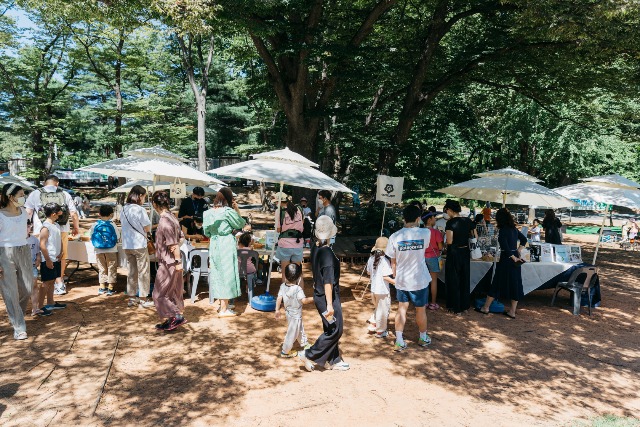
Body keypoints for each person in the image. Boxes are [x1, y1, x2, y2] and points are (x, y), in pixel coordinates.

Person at [298, 216, 349, 371]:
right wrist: (329, 304)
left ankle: (333, 360)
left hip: (320, 295)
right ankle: (309, 353)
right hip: (328, 297)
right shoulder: (326, 253)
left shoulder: (316, 247)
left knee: (330, 328)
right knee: (336, 329)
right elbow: (328, 281)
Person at [386, 205, 432, 351]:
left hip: (402, 278)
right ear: (418, 218)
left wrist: (395, 273)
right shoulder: (425, 233)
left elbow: (392, 260)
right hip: (420, 278)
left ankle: (399, 340)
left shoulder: (394, 236)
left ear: (403, 218)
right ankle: (423, 337)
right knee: (420, 309)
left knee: (401, 309)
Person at [25, 174, 79, 296]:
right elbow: (74, 213)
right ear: (57, 183)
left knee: (42, 254)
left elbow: (28, 212)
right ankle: (59, 283)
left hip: (41, 229)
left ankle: (43, 280)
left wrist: (26, 228)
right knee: (61, 255)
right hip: (62, 229)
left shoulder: (35, 193)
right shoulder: (65, 194)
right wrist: (76, 228)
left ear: (44, 183)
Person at [203, 187, 246, 317]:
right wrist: (236, 208)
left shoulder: (208, 213)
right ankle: (224, 308)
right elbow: (241, 223)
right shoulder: (228, 212)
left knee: (217, 272)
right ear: (228, 199)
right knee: (227, 273)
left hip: (214, 243)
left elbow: (206, 232)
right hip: (226, 242)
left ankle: (223, 303)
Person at [478, 208, 527, 319]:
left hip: (506, 258)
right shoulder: (514, 229)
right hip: (514, 259)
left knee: (497, 282)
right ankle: (512, 311)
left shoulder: (503, 230)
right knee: (515, 284)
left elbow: (504, 246)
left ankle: (486, 307)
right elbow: (524, 239)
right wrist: (518, 251)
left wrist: (513, 256)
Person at [0, 183, 34, 340]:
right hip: (4, 253)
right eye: (20, 195)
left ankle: (16, 314)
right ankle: (19, 327)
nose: (23, 197)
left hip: (24, 250)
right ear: (10, 197)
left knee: (27, 288)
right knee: (10, 291)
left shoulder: (23, 212)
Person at [152, 190, 187, 331]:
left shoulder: (165, 220)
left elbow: (173, 244)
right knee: (170, 293)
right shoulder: (172, 217)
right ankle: (170, 320)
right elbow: (182, 238)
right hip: (172, 261)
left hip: (169, 263)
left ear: (154, 204)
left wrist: (177, 261)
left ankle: (176, 316)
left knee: (158, 294)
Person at [121, 185, 154, 308]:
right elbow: (147, 228)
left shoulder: (124, 209)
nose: (144, 199)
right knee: (143, 271)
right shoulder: (140, 210)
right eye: (144, 196)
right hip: (139, 244)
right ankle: (143, 299)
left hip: (127, 244)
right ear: (140, 196)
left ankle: (131, 298)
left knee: (131, 271)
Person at [444, 199, 477, 314]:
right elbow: (475, 235)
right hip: (465, 251)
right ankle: (465, 306)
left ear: (449, 210)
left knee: (454, 279)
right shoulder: (467, 220)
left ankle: (455, 306)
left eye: (446, 210)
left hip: (454, 252)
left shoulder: (450, 223)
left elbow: (449, 241)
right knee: (464, 278)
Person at [275, 264, 313, 358]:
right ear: (298, 277)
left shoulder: (283, 286)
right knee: (292, 333)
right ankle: (285, 351)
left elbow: (279, 298)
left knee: (299, 328)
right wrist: (315, 298)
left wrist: (277, 310)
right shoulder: (298, 289)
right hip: (295, 315)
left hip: (289, 313)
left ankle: (304, 343)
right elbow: (304, 301)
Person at [38, 202, 68, 314]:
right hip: (49, 259)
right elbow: (42, 245)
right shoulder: (45, 227)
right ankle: (39, 307)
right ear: (54, 213)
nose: (61, 213)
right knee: (46, 282)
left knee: (52, 281)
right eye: (59, 211)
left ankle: (50, 302)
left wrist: (61, 252)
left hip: (56, 258)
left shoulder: (56, 225)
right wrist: (48, 260)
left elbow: (59, 239)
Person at [366, 236, 395, 338]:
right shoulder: (384, 261)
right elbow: (386, 276)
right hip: (382, 291)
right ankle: (380, 331)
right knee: (383, 311)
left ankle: (373, 323)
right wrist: (396, 282)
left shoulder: (371, 258)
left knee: (377, 308)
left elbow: (369, 272)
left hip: (374, 289)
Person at [89, 205, 120, 296]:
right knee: (112, 267)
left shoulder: (95, 224)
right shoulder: (112, 224)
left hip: (99, 250)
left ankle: (102, 287)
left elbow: (91, 236)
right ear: (111, 214)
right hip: (111, 249)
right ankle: (110, 288)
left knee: (102, 268)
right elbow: (117, 237)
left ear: (99, 214)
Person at [275, 193, 304, 283]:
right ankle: (298, 294)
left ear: (279, 202)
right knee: (297, 272)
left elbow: (278, 229)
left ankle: (286, 295)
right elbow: (302, 224)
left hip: (285, 244)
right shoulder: (299, 209)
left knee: (285, 272)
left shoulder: (279, 212)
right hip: (298, 243)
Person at [27, 220, 50, 317]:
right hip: (19, 268)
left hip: (32, 267)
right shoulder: (16, 241)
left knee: (34, 286)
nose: (26, 229)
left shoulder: (34, 240)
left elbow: (38, 253)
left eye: (28, 226)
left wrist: (38, 259)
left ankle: (35, 308)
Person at [423, 212, 443, 310]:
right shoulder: (436, 232)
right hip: (433, 257)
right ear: (430, 219)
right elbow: (440, 247)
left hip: (422, 258)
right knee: (433, 280)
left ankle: (424, 302)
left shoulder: (420, 231)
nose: (435, 219)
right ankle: (433, 303)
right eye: (434, 217)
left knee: (424, 281)